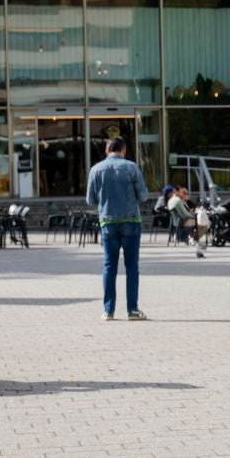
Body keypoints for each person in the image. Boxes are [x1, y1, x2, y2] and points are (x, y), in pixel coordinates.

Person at [85, 136, 150, 320]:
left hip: (108, 222)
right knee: (132, 267)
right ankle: (132, 311)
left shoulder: (96, 169)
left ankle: (108, 311)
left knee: (109, 266)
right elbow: (144, 195)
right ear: (123, 150)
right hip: (131, 221)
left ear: (107, 151)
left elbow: (90, 200)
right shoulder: (131, 167)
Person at [168, 185, 206, 258]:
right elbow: (185, 213)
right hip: (182, 222)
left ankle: (197, 244)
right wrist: (194, 216)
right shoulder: (178, 200)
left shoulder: (172, 200)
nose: (182, 194)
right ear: (176, 192)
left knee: (200, 225)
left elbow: (184, 212)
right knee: (202, 224)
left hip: (177, 222)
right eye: (181, 192)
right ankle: (199, 247)